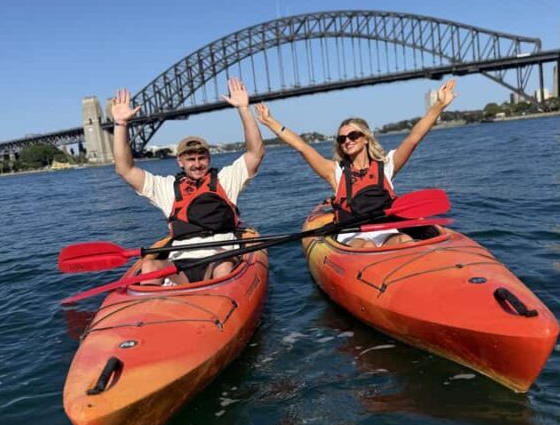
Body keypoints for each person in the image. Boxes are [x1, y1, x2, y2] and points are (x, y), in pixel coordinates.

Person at [255, 79, 456, 249]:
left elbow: (413, 139)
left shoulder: (386, 166)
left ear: (366, 138)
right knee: (367, 246)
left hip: (385, 228)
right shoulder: (335, 172)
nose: (347, 141)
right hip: (352, 234)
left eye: (353, 135)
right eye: (342, 139)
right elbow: (302, 147)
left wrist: (438, 106)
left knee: (404, 240)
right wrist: (270, 121)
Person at [111, 77, 265, 283]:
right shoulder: (166, 187)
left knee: (224, 268)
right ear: (180, 162)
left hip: (219, 260)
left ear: (208, 159)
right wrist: (121, 124)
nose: (197, 164)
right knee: (149, 266)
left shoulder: (226, 179)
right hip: (180, 265)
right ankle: (153, 309)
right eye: (190, 159)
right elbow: (125, 169)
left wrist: (244, 109)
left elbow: (255, 153)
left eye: (202, 158)